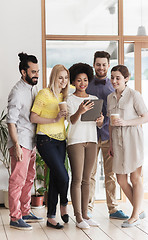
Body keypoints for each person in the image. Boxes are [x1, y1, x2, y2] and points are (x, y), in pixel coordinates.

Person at [86, 51, 128, 219]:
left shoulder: (114, 85)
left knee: (110, 174)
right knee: (89, 174)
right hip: (90, 135)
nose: (101, 67)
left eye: (104, 64)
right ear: (94, 65)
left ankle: (113, 208)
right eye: (98, 64)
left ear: (108, 65)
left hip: (109, 137)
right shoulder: (87, 85)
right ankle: (88, 208)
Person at [107, 65, 148, 227]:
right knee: (121, 179)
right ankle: (138, 210)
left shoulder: (134, 95)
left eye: (117, 77)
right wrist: (110, 143)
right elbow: (110, 124)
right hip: (117, 142)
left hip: (133, 140)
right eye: (112, 77)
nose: (114, 80)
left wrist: (126, 122)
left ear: (126, 78)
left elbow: (145, 118)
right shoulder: (111, 98)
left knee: (135, 177)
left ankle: (134, 216)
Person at [6, 52, 44, 231]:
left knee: (29, 178)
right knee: (17, 180)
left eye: (37, 71)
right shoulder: (17, 92)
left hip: (31, 141)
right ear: (23, 72)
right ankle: (15, 217)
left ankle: (25, 211)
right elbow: (11, 121)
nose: (36, 74)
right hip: (20, 142)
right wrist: (16, 146)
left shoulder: (33, 88)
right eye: (33, 71)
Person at [30, 64, 69, 229]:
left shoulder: (63, 96)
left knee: (55, 177)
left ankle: (51, 217)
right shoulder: (44, 93)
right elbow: (33, 117)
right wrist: (53, 119)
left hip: (61, 140)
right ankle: (64, 205)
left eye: (66, 78)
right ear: (54, 77)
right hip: (45, 140)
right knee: (64, 176)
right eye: (60, 77)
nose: (64, 81)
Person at [66, 63, 104, 229]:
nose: (82, 83)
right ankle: (78, 217)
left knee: (87, 179)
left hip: (92, 141)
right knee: (77, 179)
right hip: (75, 141)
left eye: (85, 80)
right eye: (79, 80)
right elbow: (71, 121)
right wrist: (80, 111)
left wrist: (101, 122)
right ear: (73, 81)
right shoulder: (70, 99)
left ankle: (86, 215)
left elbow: (98, 125)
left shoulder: (94, 100)